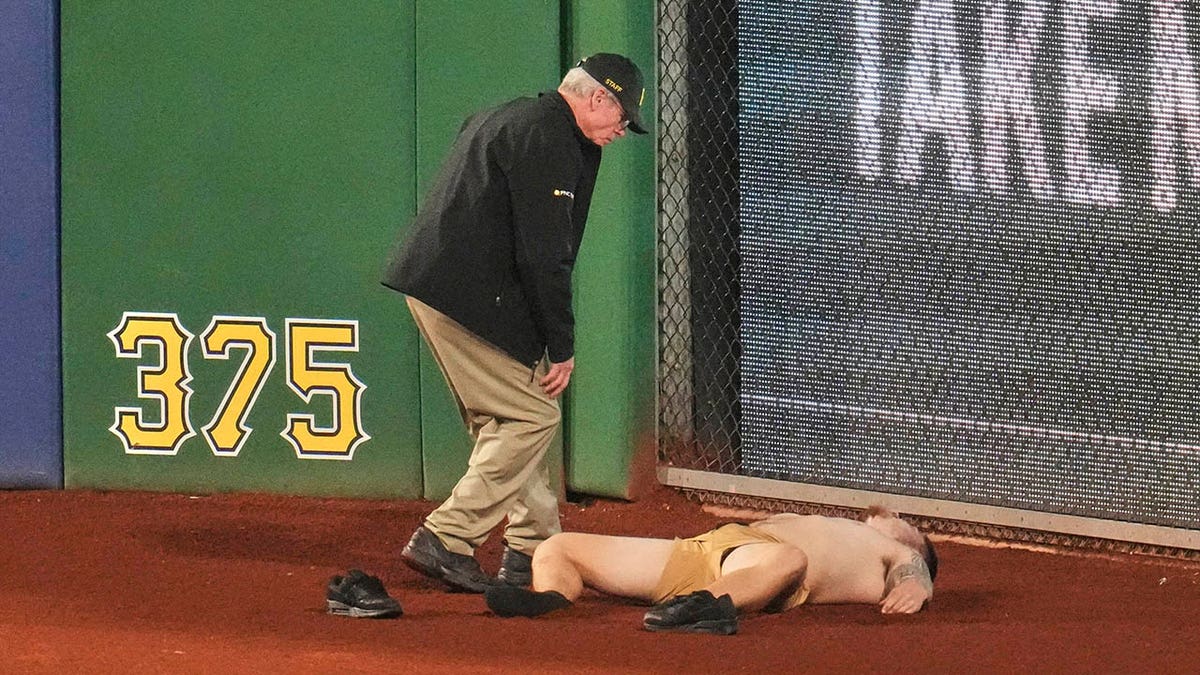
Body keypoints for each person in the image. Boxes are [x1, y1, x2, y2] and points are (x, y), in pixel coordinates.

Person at [380, 53, 648, 593]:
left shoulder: (516, 116)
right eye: (621, 116)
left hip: (452, 289)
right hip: (469, 297)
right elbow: (544, 255)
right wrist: (562, 343)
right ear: (598, 97)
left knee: (515, 416)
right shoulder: (546, 136)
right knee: (530, 419)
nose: (622, 130)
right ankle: (447, 537)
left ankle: (534, 546)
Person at [484, 506, 938, 634]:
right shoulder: (841, 523)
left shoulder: (887, 547)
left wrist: (917, 584)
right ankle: (549, 597)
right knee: (561, 546)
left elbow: (911, 568)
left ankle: (710, 607)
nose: (894, 513)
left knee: (789, 559)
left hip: (767, 566)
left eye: (907, 523)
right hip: (708, 551)